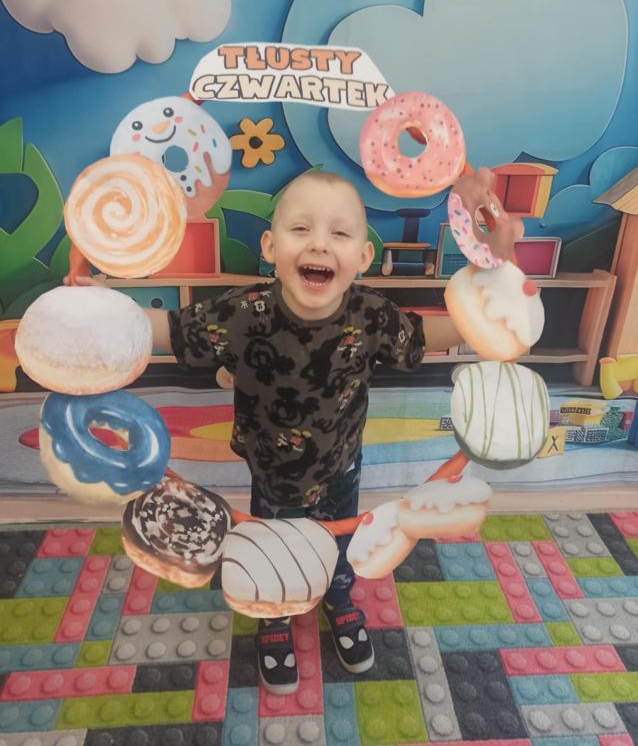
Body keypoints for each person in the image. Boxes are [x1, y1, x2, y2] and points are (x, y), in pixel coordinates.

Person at [72, 170, 463, 694]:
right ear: (270, 247)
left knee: (339, 536)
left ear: (363, 257)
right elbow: (171, 330)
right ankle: (274, 611)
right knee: (272, 541)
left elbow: (423, 334)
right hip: (272, 470)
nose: (319, 243)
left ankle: (337, 595)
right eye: (301, 229)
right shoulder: (242, 312)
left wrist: (484, 319)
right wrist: (103, 308)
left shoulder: (372, 315)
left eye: (340, 233)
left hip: (341, 464)